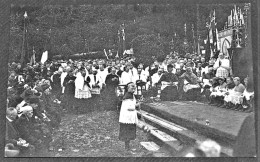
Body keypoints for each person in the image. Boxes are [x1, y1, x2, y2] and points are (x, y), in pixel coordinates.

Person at [119, 82, 140, 153]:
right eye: (132, 87)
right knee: (127, 133)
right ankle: (127, 148)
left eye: (134, 87)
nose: (134, 88)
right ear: (127, 88)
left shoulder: (132, 95)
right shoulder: (128, 96)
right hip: (127, 117)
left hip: (130, 117)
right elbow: (129, 108)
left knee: (129, 133)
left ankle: (128, 147)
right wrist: (137, 105)